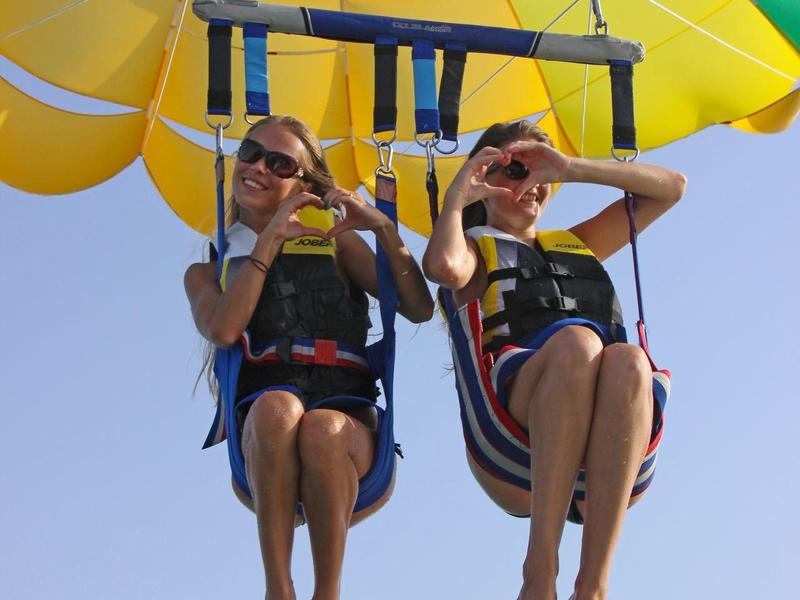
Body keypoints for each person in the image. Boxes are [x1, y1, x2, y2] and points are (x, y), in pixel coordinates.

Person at [422, 120, 686, 600]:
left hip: (614, 430)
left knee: (628, 359)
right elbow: (441, 267)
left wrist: (571, 167)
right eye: (514, 169)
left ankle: (594, 583)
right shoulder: (475, 255)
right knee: (579, 343)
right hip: (513, 429)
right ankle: (539, 568)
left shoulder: (577, 243)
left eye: (541, 176)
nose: (531, 185)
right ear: (483, 177)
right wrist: (458, 194)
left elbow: (672, 189)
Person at [185, 115, 433, 600]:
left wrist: (384, 229)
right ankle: (279, 590)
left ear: (304, 182)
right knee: (279, 408)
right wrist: (269, 241)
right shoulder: (209, 270)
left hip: (348, 435)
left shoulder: (335, 243)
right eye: (251, 152)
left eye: (279, 163)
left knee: (322, 427)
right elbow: (224, 328)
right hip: (264, 435)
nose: (258, 167)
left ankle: (328, 593)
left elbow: (419, 308)